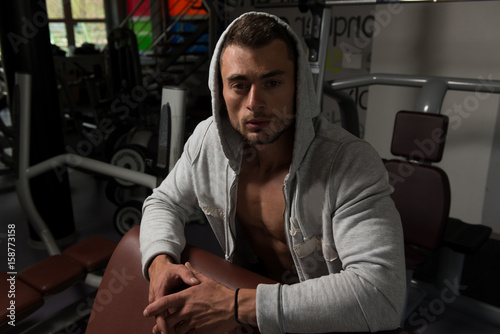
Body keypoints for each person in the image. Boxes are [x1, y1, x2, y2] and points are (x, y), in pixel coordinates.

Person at [140, 11, 406, 334]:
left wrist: (235, 305)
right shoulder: (207, 141)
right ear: (220, 91)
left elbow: (382, 295)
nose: (255, 103)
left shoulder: (350, 164)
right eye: (239, 85)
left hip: (323, 321)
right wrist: (159, 262)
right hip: (252, 307)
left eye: (272, 82)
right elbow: (164, 201)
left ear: (298, 87)